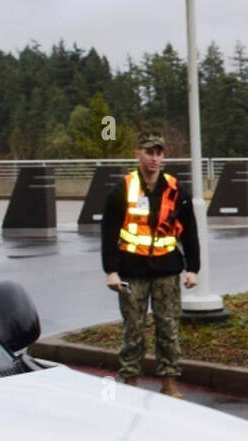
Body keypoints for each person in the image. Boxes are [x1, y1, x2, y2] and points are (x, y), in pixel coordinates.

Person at [101, 131, 200, 397]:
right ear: (138, 154)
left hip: (166, 269)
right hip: (131, 270)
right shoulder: (122, 190)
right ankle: (130, 380)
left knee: (168, 326)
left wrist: (193, 268)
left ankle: (169, 381)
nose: (154, 159)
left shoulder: (177, 190)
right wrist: (110, 270)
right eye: (149, 153)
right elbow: (109, 232)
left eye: (159, 153)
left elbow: (189, 231)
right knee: (133, 328)